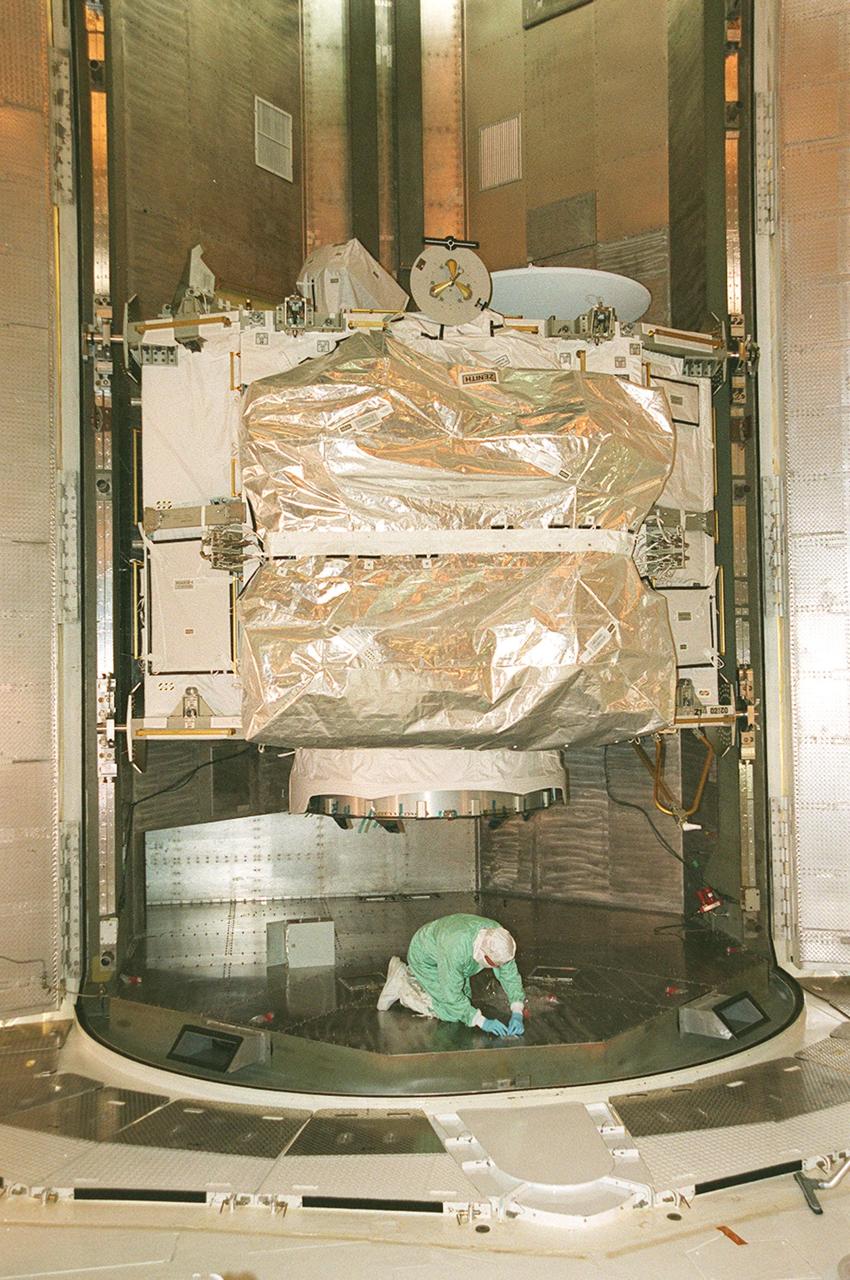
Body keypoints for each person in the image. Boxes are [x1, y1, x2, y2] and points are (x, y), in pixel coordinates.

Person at [376, 912, 525, 1037]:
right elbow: (451, 995)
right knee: (451, 1012)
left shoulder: (498, 936)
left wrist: (517, 1010)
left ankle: (413, 979)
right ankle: (402, 985)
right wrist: (481, 1021)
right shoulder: (456, 948)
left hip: (449, 952)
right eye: (494, 965)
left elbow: (509, 973)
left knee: (465, 1000)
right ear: (483, 954)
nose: (498, 968)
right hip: (426, 958)